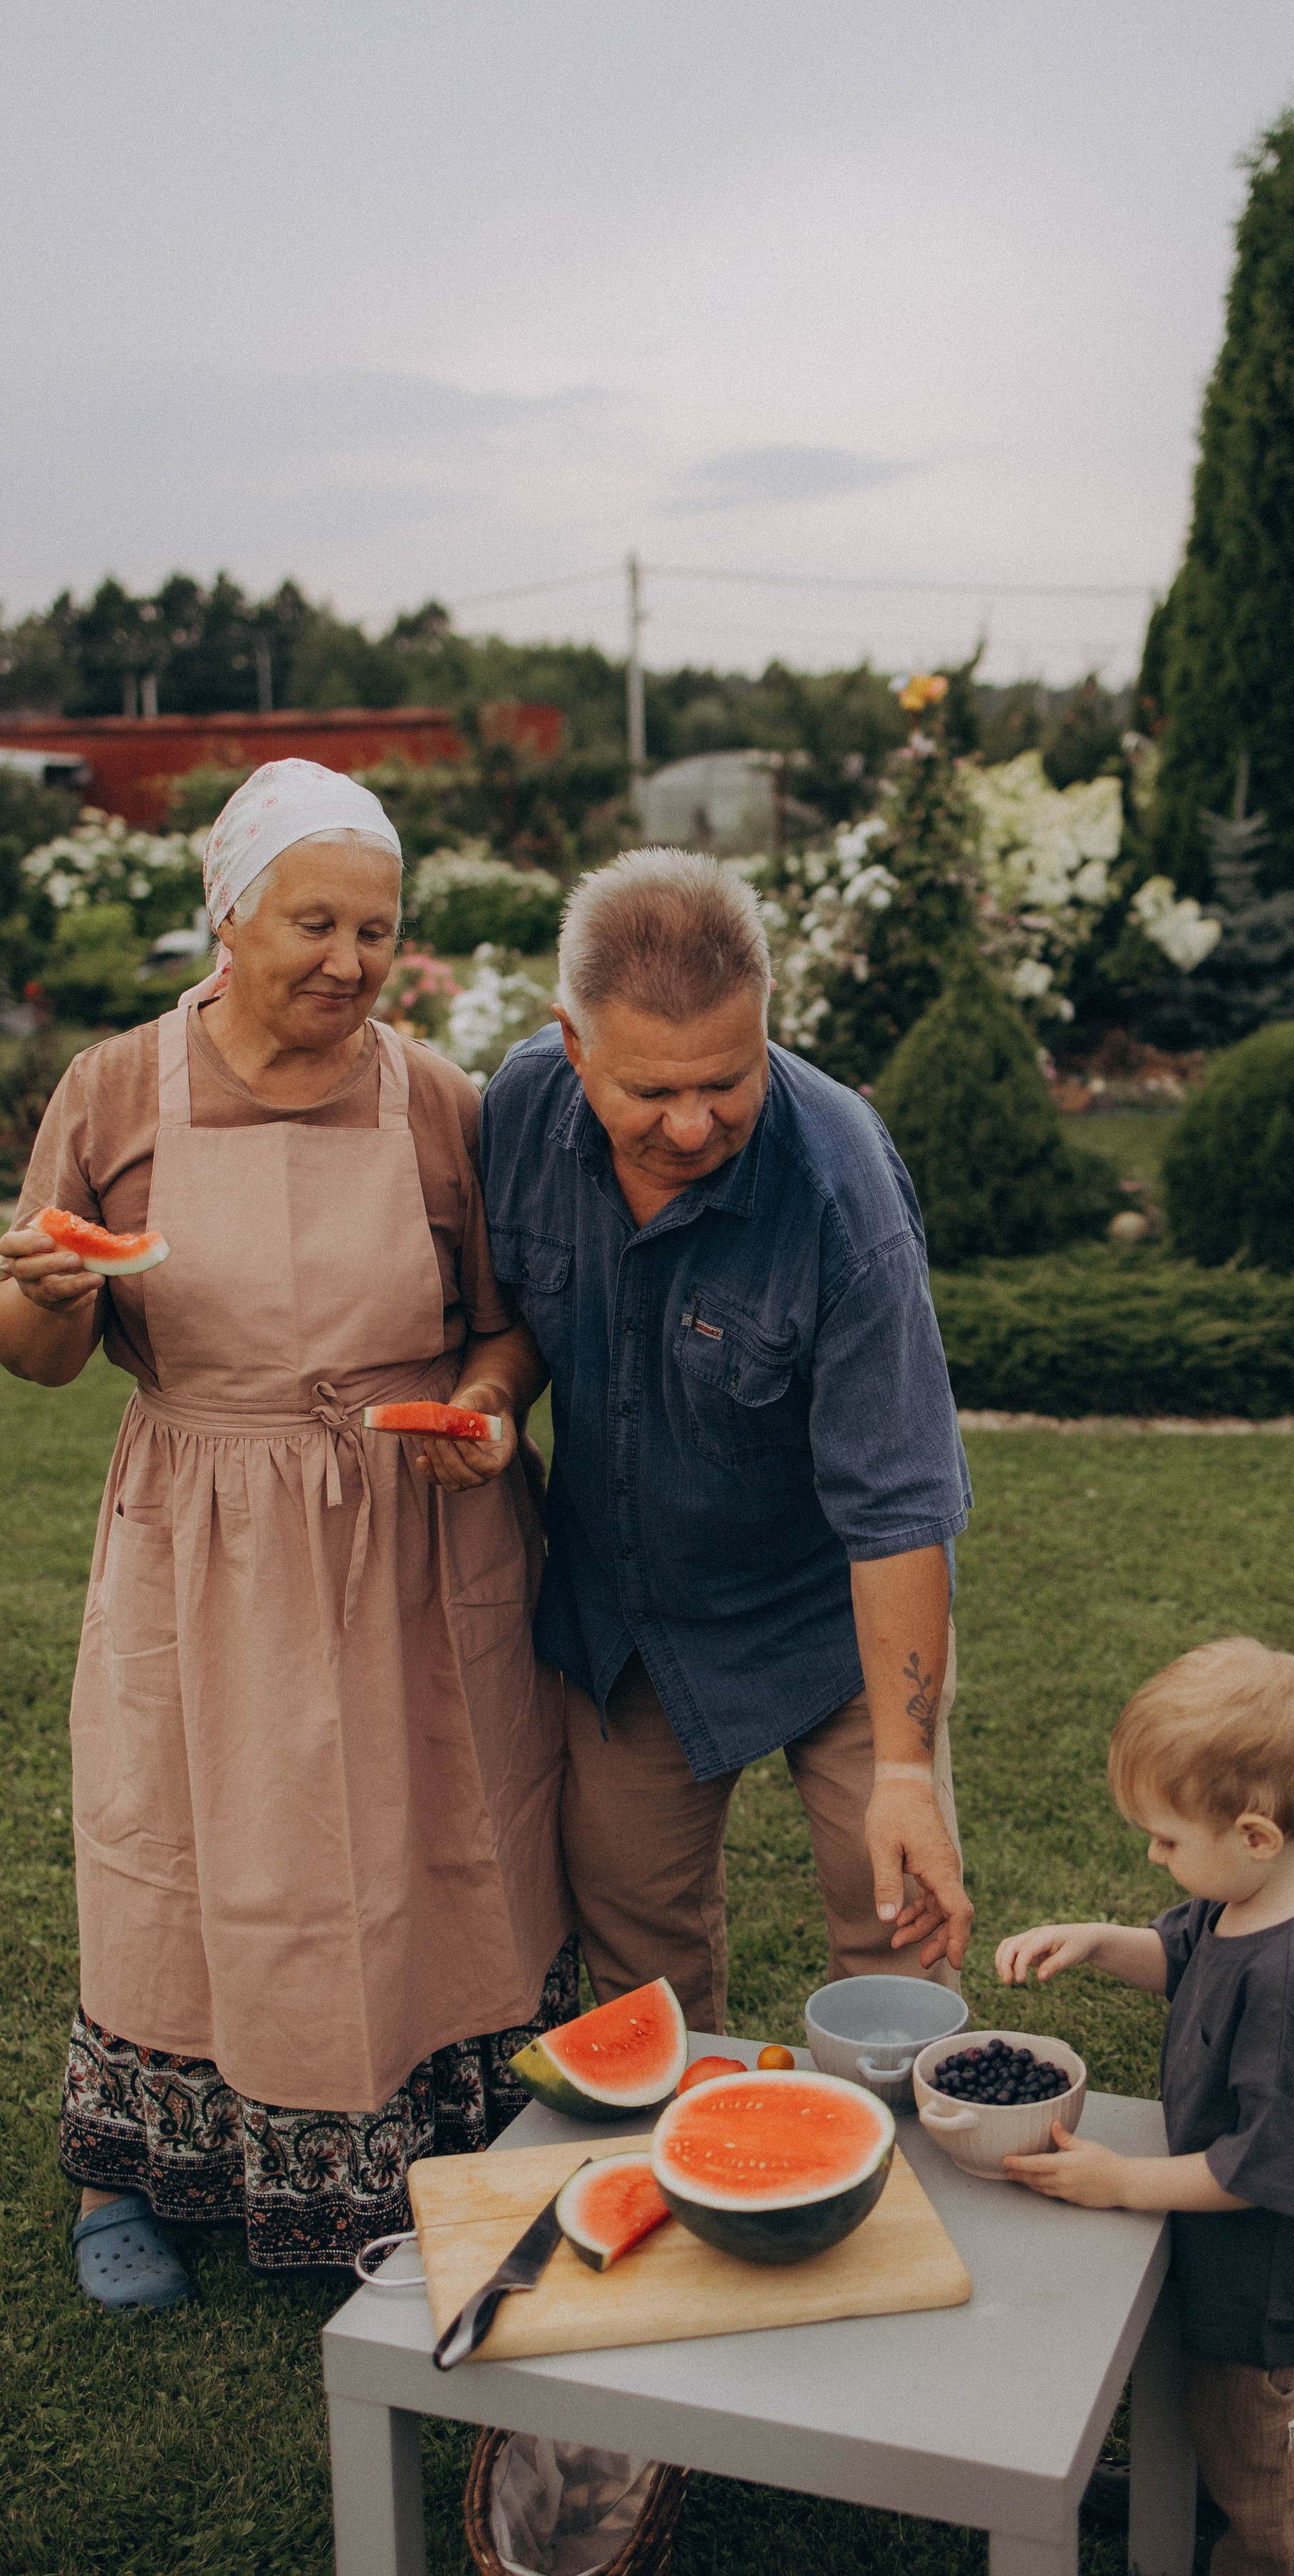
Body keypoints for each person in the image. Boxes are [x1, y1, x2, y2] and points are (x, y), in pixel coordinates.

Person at [0, 760, 571, 2310]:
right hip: (206, 1529)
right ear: (228, 918)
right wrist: (48, 1296)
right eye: (315, 924)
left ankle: (433, 2134)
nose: (349, 962)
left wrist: (487, 1406)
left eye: (376, 930)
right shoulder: (116, 1089)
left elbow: (505, 1329)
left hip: (413, 1527)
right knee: (181, 1840)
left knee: (424, 1830)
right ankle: (131, 2170)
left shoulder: (436, 1101)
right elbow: (32, 1351)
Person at [478, 847, 974, 2029]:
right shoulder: (518, 1108)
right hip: (627, 1624)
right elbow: (518, 1319)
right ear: (573, 1040)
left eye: (728, 1080)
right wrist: (492, 1396)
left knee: (896, 1943)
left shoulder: (844, 1188)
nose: (694, 1125)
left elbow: (899, 1505)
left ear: (766, 1023)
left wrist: (906, 1771)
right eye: (652, 1092)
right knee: (637, 1962)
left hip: (829, 1625)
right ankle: (683, 2144)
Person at [995, 1638, 1294, 2576]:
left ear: (1254, 1834)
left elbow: (1262, 2169)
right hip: (1231, 2248)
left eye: (1168, 1840)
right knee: (1209, 2406)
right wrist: (1099, 1941)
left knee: (1267, 2465)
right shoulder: (1250, 1897)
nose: (1153, 1857)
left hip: (1280, 2282)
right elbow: (1180, 1954)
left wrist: (1123, 2182)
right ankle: (1188, 2486)